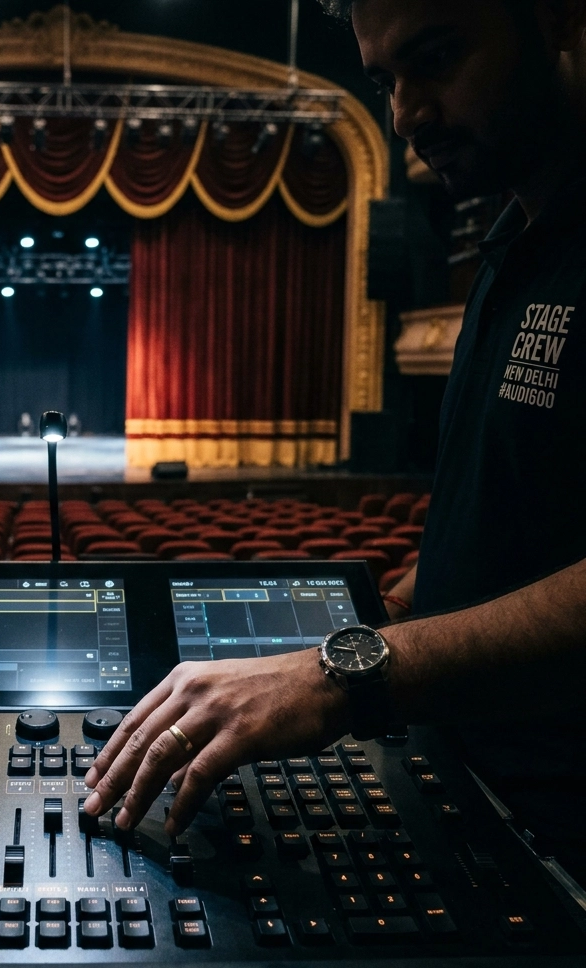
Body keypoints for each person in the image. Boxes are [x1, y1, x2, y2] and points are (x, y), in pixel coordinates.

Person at [83, 0, 586, 883]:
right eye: (385, 81)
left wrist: (345, 671)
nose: (405, 114)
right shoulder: (514, 246)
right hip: (479, 811)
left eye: (436, 55)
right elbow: (531, 519)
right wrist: (391, 611)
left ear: (561, 18)